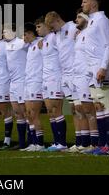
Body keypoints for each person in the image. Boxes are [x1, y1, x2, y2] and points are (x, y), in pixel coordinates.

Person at [81, 0, 109, 155]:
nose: (82, 4)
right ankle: (101, 145)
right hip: (92, 69)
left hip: (100, 69)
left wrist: (103, 67)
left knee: (105, 106)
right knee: (98, 107)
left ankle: (108, 146)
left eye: (85, 1)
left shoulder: (102, 20)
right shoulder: (92, 21)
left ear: (94, 3)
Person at [45, 11, 79, 150]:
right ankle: (80, 141)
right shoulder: (56, 35)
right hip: (65, 76)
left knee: (81, 109)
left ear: (57, 20)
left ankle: (86, 141)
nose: (51, 30)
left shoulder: (72, 28)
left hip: (76, 74)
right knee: (74, 109)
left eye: (52, 26)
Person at [70, 9, 100, 153]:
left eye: (78, 17)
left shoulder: (92, 33)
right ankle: (85, 143)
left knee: (90, 111)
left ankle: (95, 144)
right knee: (80, 110)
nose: (76, 19)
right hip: (77, 76)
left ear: (86, 18)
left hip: (87, 76)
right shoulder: (79, 35)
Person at [36, 17, 67, 151]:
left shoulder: (55, 37)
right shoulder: (43, 41)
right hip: (46, 79)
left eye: (39, 26)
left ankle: (62, 143)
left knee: (56, 110)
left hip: (55, 78)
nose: (37, 29)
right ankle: (56, 142)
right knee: (49, 111)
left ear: (47, 26)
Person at [4, 23, 28, 150]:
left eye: (6, 31)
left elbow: (35, 42)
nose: (3, 33)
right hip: (12, 83)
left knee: (26, 113)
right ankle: (22, 143)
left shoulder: (21, 42)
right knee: (18, 114)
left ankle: (32, 141)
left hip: (22, 82)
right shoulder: (4, 45)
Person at [22, 23, 44, 151]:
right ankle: (33, 143)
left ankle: (40, 144)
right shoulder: (29, 46)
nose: (23, 37)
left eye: (25, 34)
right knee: (28, 114)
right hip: (28, 82)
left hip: (37, 82)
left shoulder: (41, 42)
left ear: (31, 33)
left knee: (34, 114)